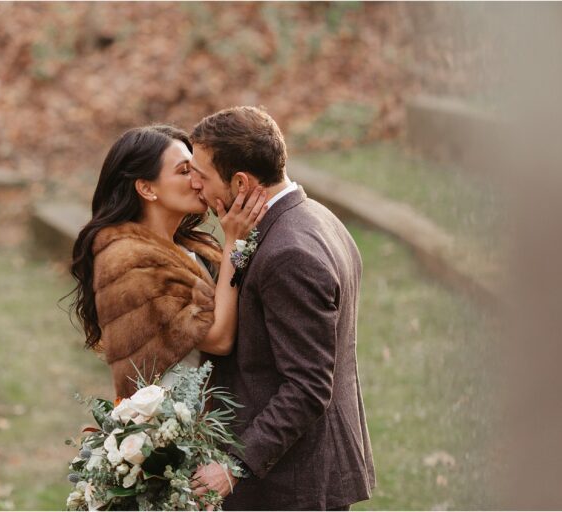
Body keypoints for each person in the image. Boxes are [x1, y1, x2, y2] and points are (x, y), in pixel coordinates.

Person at [189, 107, 376, 510]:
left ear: (240, 182)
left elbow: (308, 386)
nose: (195, 186)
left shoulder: (288, 253)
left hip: (289, 486)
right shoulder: (318, 218)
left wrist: (234, 464)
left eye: (201, 175)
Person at [68, 125, 268, 397]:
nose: (197, 180)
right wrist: (235, 242)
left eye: (196, 169)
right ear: (147, 188)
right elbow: (219, 339)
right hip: (176, 426)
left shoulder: (191, 247)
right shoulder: (131, 262)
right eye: (184, 171)